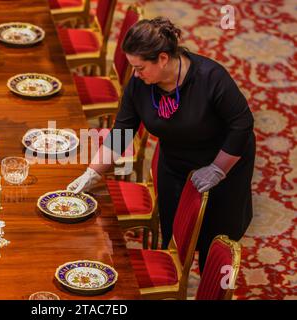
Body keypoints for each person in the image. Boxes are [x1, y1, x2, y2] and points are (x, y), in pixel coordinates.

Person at [67, 17, 255, 272]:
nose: (135, 74)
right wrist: (92, 172)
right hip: (175, 162)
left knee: (214, 239)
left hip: (222, 162)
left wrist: (218, 169)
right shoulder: (140, 84)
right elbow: (122, 130)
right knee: (176, 232)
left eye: (140, 67)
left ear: (163, 59)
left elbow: (242, 124)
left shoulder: (211, 78)